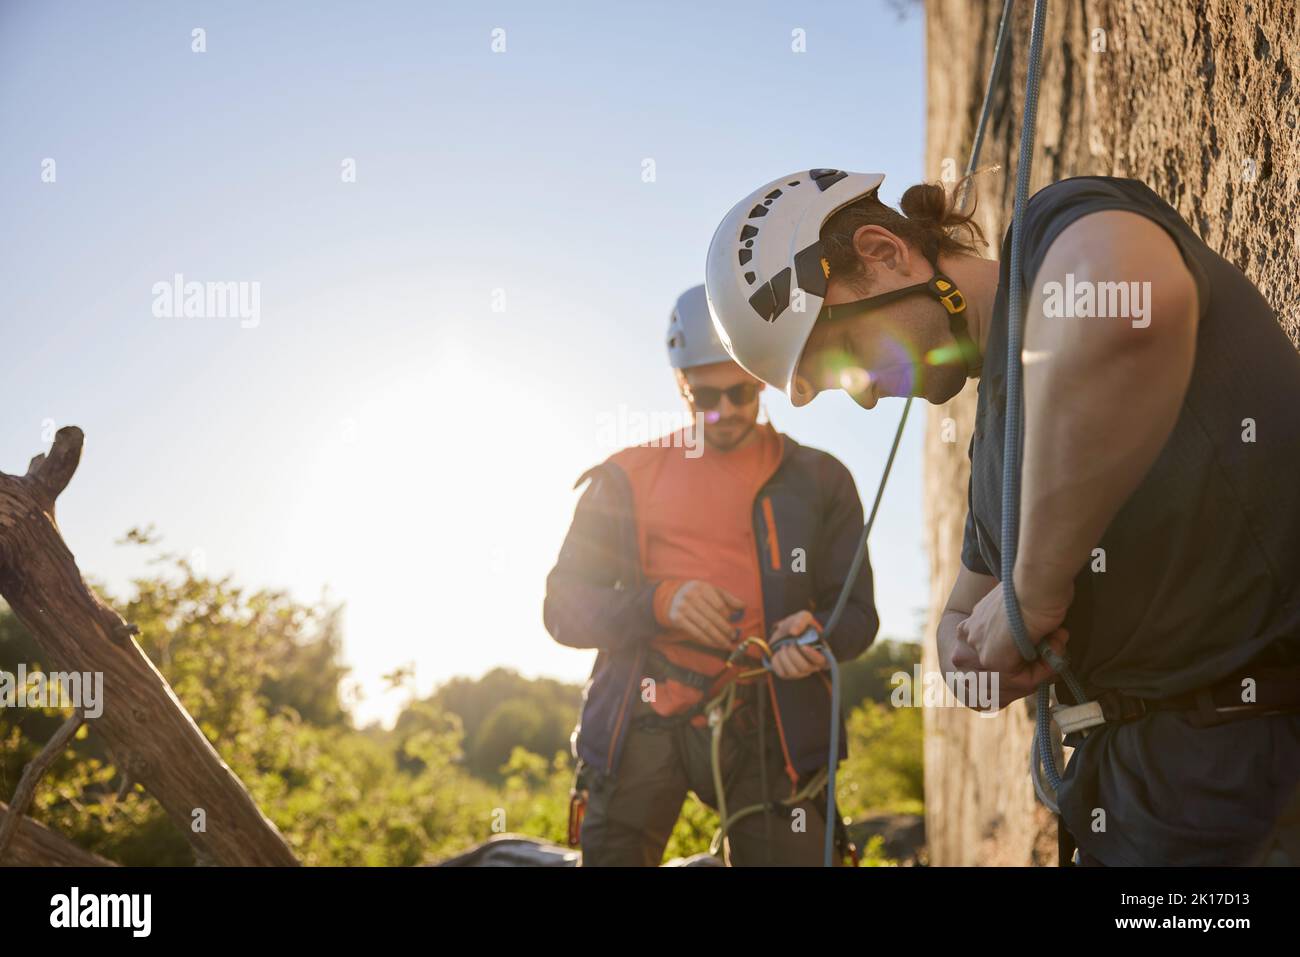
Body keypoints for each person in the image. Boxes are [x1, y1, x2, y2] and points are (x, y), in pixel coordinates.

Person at [704, 168, 1300, 866]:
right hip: (1140, 804)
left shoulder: (1054, 233)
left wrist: (1033, 588)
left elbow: (1129, 308)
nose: (862, 396)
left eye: (844, 357)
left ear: (884, 251)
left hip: (1248, 770)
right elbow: (962, 613)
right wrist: (971, 662)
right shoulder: (991, 444)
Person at [543, 284, 878, 866]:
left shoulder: (821, 483)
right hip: (643, 717)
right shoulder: (625, 479)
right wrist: (657, 603)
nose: (724, 412)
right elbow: (562, 608)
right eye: (705, 396)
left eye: (742, 392)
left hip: (772, 725)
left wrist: (817, 633)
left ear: (764, 380)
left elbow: (858, 618)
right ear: (680, 386)